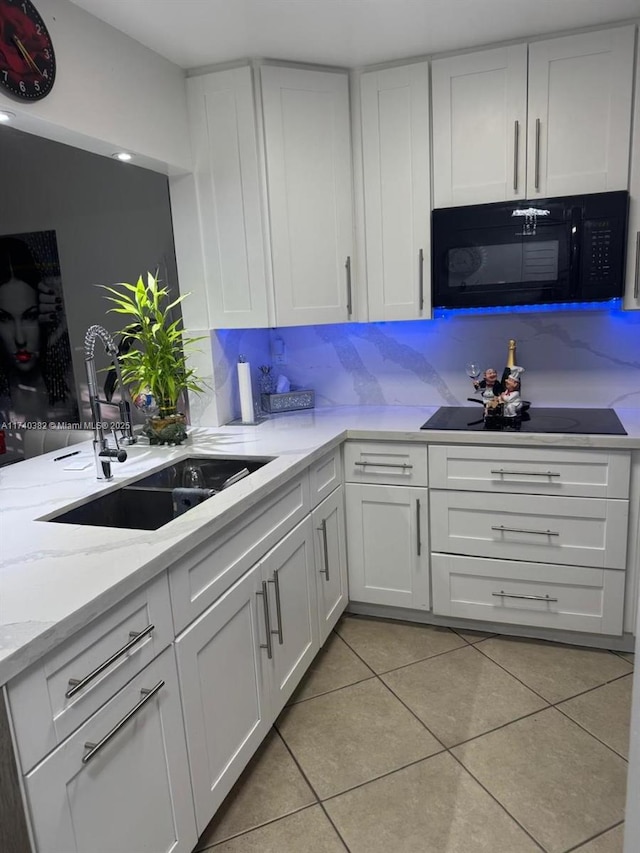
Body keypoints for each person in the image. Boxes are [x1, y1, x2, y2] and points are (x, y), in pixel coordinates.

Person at [0, 235, 77, 427]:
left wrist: (63, 318)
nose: (20, 339)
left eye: (30, 316)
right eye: (5, 319)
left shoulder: (69, 386)